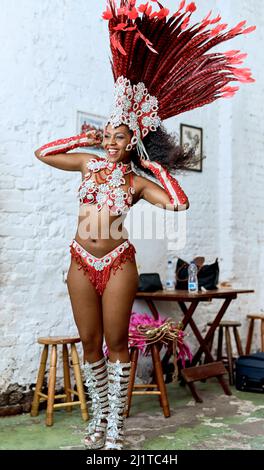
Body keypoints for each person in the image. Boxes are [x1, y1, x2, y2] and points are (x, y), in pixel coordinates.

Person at [34, 0, 255, 451]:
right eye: (108, 133)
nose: (112, 141)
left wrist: (157, 167)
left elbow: (179, 203)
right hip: (80, 259)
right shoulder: (86, 163)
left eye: (120, 136)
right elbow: (44, 152)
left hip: (118, 261)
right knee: (89, 342)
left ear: (132, 140)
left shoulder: (135, 180)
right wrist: (88, 137)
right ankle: (97, 421)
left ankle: (116, 427)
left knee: (117, 343)